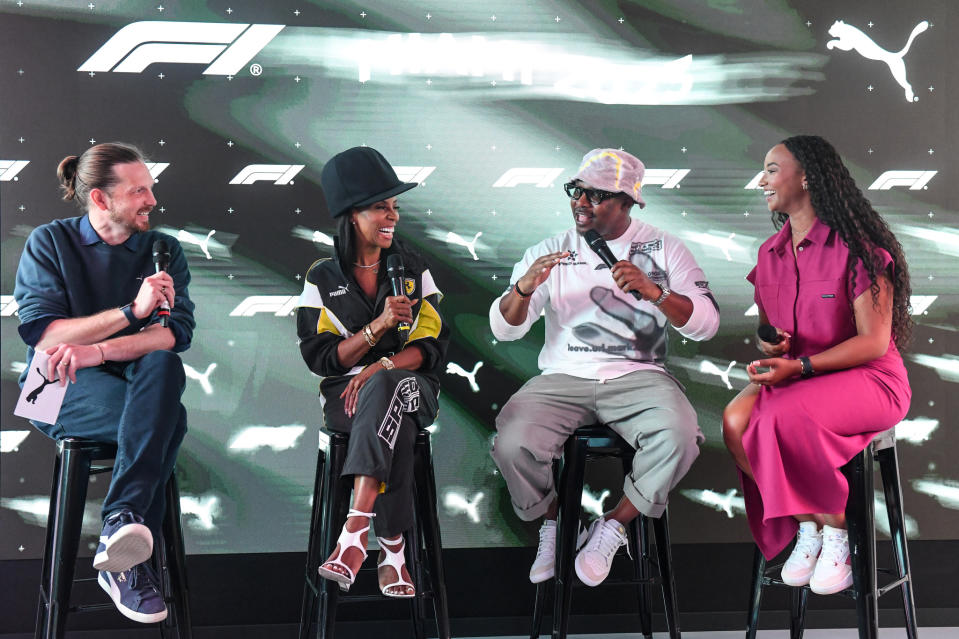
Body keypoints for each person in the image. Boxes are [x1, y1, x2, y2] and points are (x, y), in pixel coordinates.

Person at [490, 148, 719, 587]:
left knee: (679, 435)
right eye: (576, 191)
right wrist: (522, 289)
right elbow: (505, 330)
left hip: (639, 376)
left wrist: (656, 293)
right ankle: (558, 523)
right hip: (562, 378)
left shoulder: (663, 246)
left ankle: (613, 525)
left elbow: (707, 326)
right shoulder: (551, 251)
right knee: (512, 442)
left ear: (628, 202)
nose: (581, 202)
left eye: (596, 195)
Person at [722, 135, 912, 594]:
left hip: (870, 378)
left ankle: (840, 530)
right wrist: (771, 347)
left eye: (771, 170)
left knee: (782, 415)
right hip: (798, 375)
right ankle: (810, 526)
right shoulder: (770, 255)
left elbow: (873, 342)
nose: (761, 181)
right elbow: (769, 333)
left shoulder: (861, 249)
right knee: (734, 420)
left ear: (806, 176)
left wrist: (800, 367)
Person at [14, 142, 195, 623]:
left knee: (164, 368)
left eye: (150, 189)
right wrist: (129, 314)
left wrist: (97, 349)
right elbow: (45, 335)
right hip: (55, 386)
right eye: (139, 191)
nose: (151, 201)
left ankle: (121, 523)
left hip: (131, 377)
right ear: (100, 199)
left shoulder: (163, 250)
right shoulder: (50, 242)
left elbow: (174, 335)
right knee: (164, 418)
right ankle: (128, 557)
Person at [295, 146, 449, 598]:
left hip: (413, 385)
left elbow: (432, 348)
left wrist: (379, 366)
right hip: (347, 399)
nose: (392, 216)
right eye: (382, 206)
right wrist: (378, 327)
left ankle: (354, 531)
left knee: (388, 387)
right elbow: (321, 358)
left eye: (394, 206)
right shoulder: (321, 277)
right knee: (390, 416)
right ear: (351, 214)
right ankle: (394, 550)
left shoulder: (414, 268)